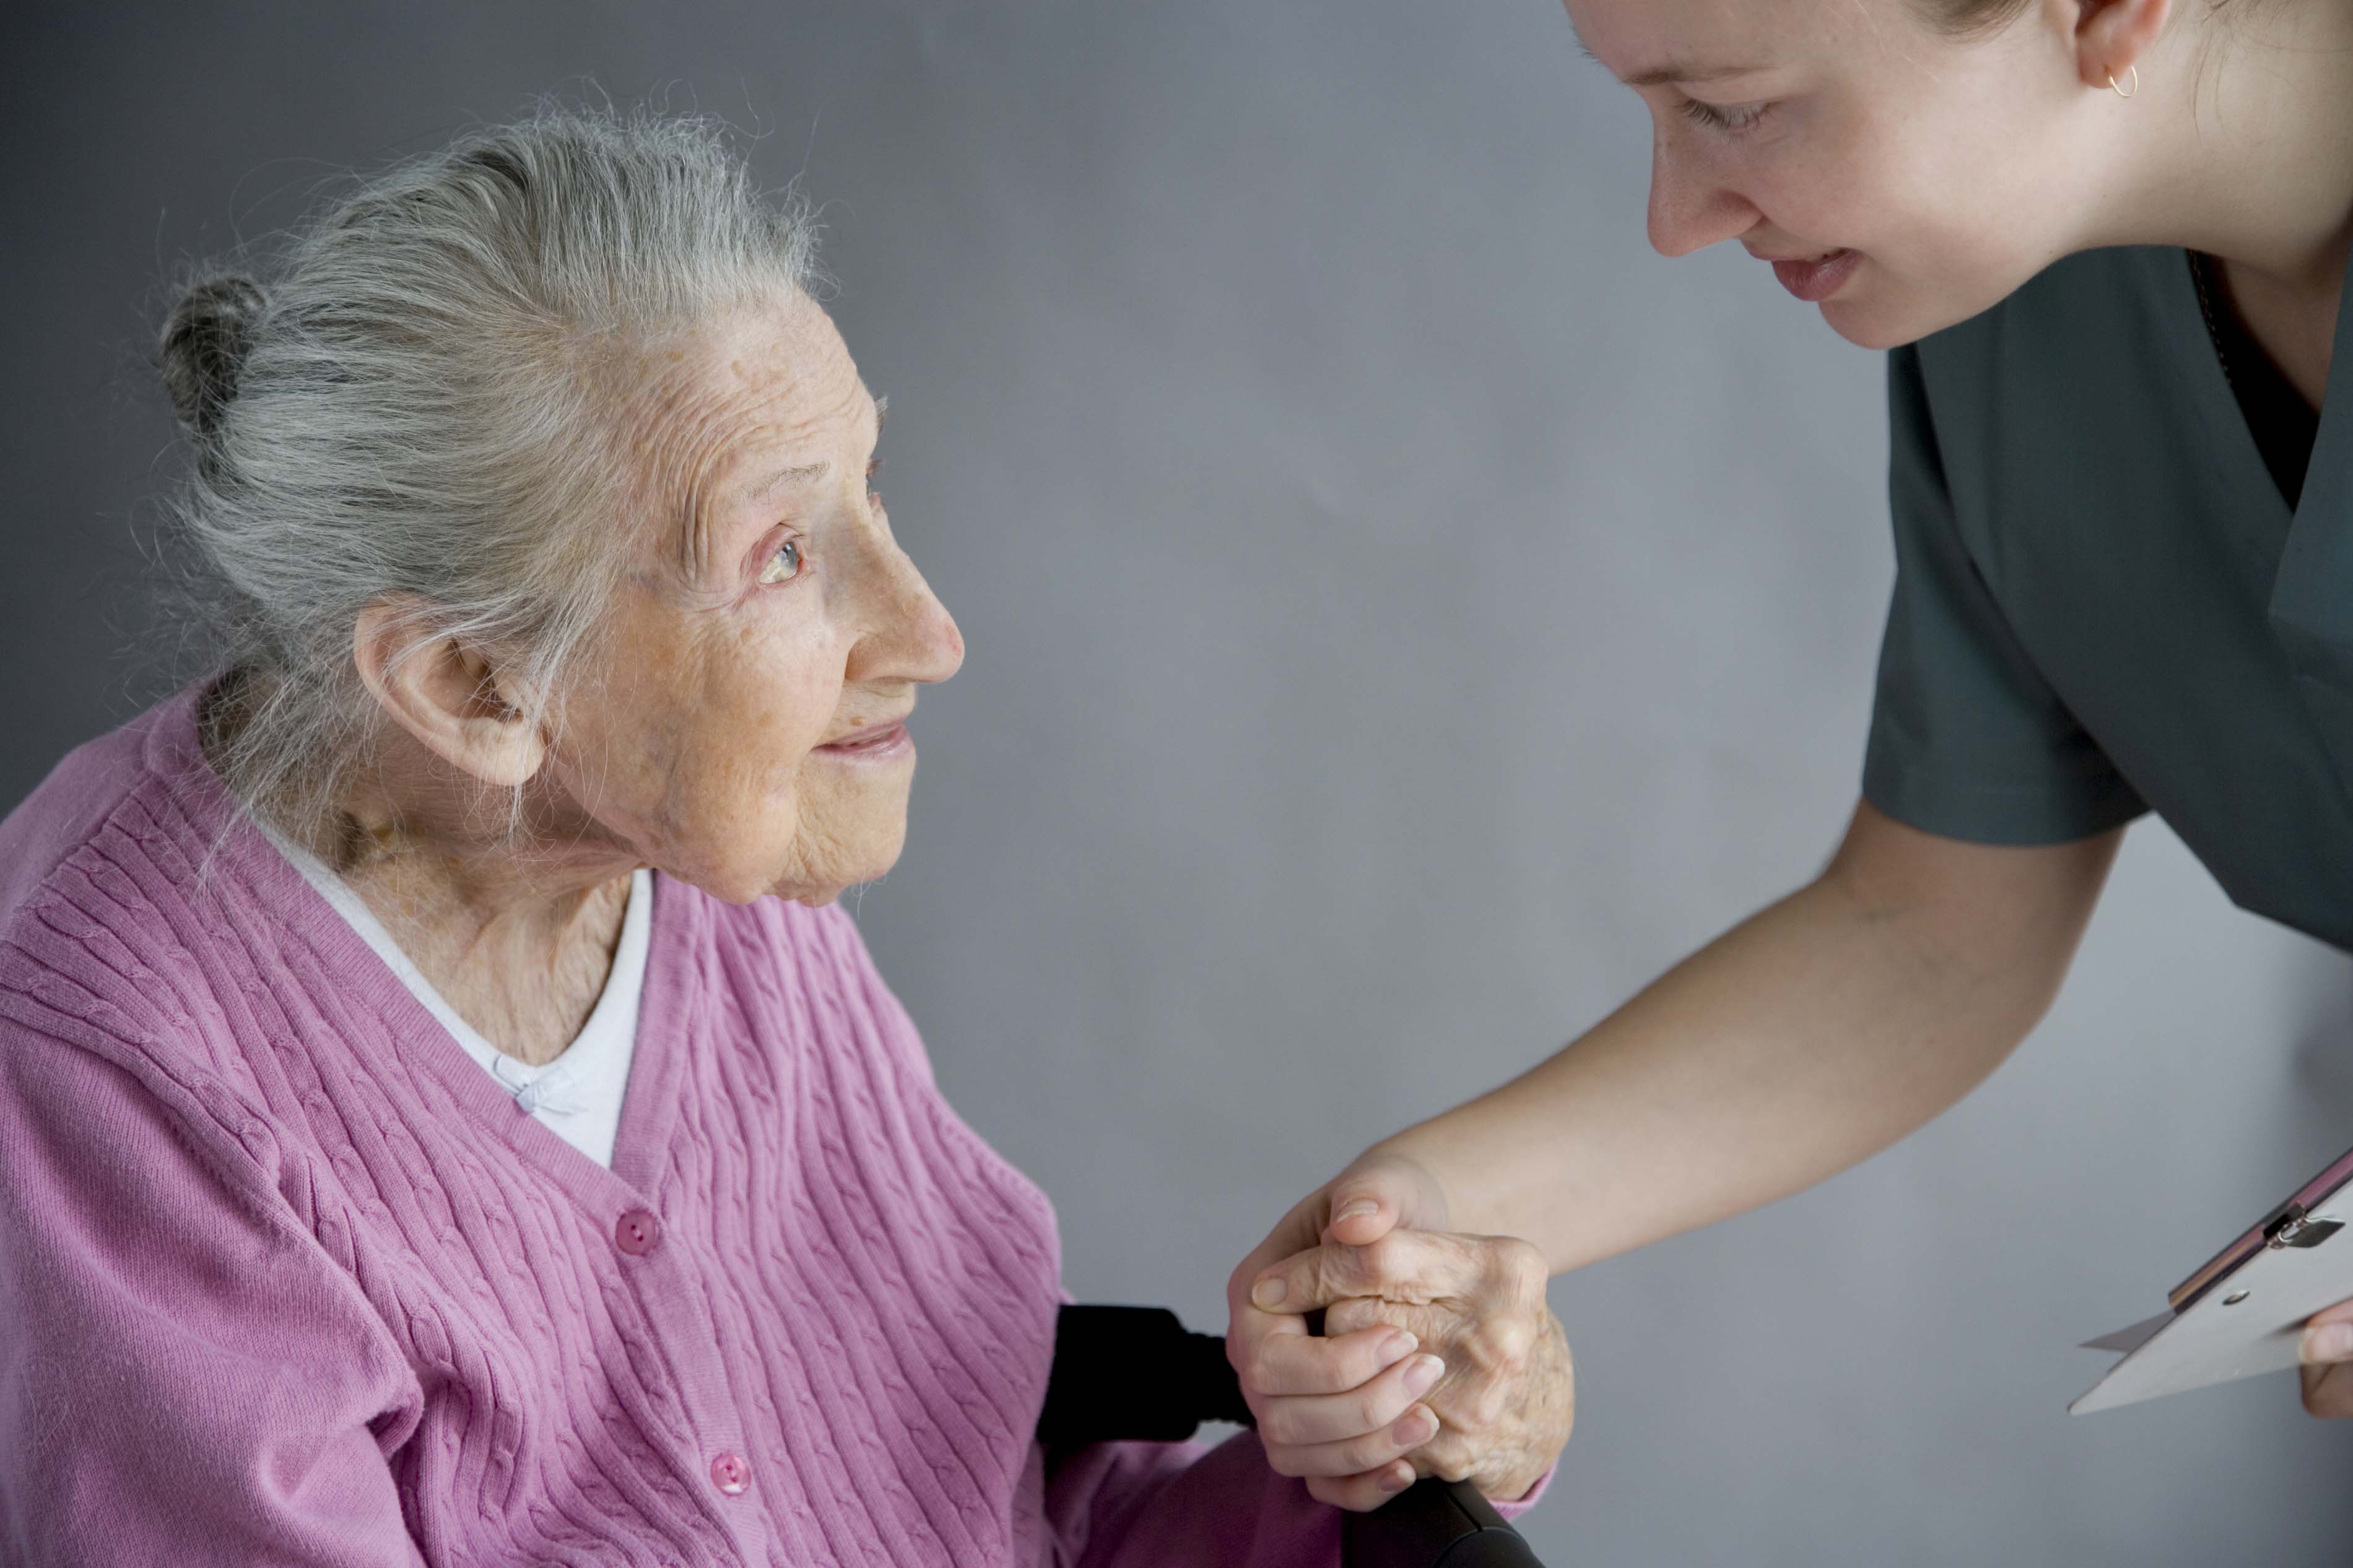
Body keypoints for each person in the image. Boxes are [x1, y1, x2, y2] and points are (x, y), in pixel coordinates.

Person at [0, 108, 1572, 1564]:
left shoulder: (714, 869)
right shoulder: (120, 1061)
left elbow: (1016, 1516)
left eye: (870, 493)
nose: (929, 631)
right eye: (782, 553)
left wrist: (1388, 1438)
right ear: (474, 681)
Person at [1228, 0, 2353, 1496]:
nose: (1674, 219)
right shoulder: (2018, 292)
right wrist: (1428, 1214)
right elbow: (1934, 930)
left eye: (1733, 108)